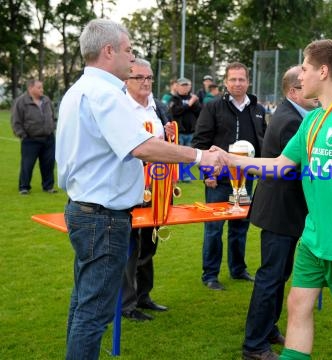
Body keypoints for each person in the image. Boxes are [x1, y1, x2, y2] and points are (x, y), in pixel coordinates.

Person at [56, 19, 224, 360]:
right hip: (102, 218)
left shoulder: (79, 90)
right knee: (94, 312)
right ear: (108, 51)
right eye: (129, 50)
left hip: (84, 209)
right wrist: (200, 155)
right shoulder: (105, 94)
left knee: (83, 304)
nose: (132, 59)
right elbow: (143, 147)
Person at [232, 39, 332, 360]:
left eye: (304, 67)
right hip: (312, 239)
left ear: (323, 71)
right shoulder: (313, 120)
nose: (300, 75)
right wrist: (229, 160)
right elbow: (279, 165)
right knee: (298, 305)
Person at [242, 65, 317, 360]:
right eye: (306, 84)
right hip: (280, 212)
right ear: (293, 91)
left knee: (278, 275)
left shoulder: (294, 116)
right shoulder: (290, 121)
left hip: (285, 212)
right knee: (270, 277)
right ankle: (254, 345)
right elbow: (297, 168)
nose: (315, 91)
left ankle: (268, 329)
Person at [191, 62, 266, 291]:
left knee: (240, 226)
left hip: (246, 180)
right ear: (225, 82)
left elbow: (262, 141)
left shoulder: (258, 109)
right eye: (232, 79)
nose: (237, 83)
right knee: (214, 228)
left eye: (241, 79)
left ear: (248, 81)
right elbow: (201, 142)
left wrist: (264, 170)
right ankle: (210, 275)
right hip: (219, 179)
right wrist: (206, 174)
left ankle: (238, 269)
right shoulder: (213, 107)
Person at [121, 58, 170, 322]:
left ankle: (144, 296)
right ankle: (127, 304)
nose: (146, 82)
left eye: (149, 77)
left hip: (157, 188)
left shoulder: (157, 107)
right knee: (130, 246)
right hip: (130, 187)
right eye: (140, 77)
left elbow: (164, 144)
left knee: (149, 244)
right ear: (126, 80)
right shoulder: (120, 108)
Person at [10, 79, 57, 195]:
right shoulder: (21, 102)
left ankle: (48, 187)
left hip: (48, 138)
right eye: (39, 87)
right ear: (31, 88)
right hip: (30, 140)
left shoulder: (46, 100)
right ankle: (24, 187)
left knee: (48, 164)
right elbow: (16, 121)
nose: (42, 90)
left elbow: (53, 116)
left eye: (42, 87)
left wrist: (53, 127)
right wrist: (23, 135)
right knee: (27, 164)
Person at [168, 77, 201, 182]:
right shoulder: (174, 99)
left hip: (190, 132)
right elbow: (175, 111)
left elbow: (199, 111)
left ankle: (185, 176)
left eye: (186, 85)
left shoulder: (194, 98)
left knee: (188, 156)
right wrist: (189, 104)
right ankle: (174, 176)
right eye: (182, 85)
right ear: (177, 86)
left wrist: (193, 102)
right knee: (176, 155)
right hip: (179, 132)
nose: (185, 87)